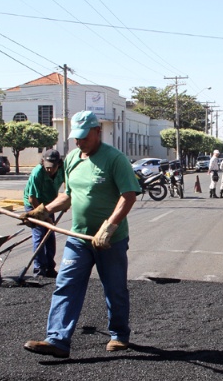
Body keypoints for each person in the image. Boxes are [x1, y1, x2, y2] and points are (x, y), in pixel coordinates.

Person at [22, 110, 140, 358]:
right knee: (65, 285)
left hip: (111, 240)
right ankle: (57, 340)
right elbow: (67, 195)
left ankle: (119, 334)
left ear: (98, 132)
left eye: (84, 137)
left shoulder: (115, 159)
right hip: (79, 238)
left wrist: (109, 227)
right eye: (76, 137)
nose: (79, 142)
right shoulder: (74, 158)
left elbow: (128, 195)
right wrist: (42, 211)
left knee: (115, 288)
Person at [23, 149, 64, 278]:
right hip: (34, 205)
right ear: (42, 162)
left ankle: (50, 267)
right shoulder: (37, 173)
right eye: (47, 167)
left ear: (59, 164)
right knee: (40, 234)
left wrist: (65, 201)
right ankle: (39, 269)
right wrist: (45, 217)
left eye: (52, 167)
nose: (49, 170)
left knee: (50, 235)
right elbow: (32, 198)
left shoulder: (62, 170)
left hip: (49, 205)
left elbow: (69, 187)